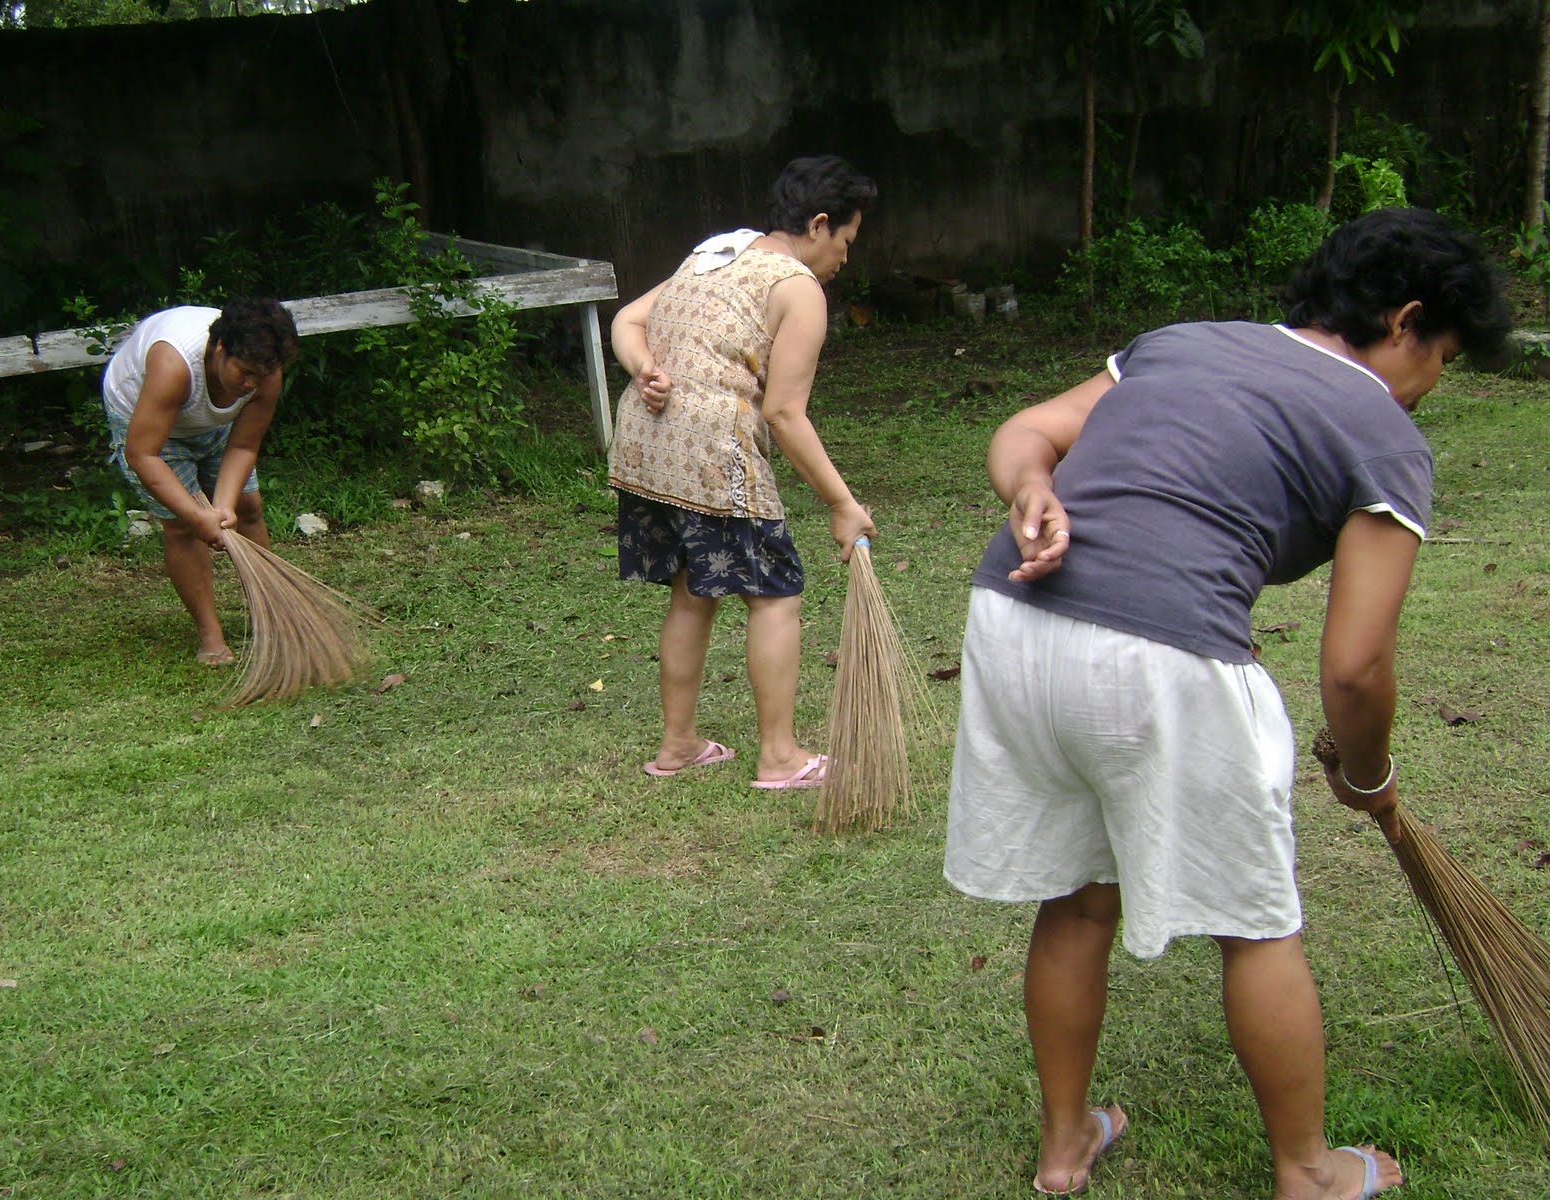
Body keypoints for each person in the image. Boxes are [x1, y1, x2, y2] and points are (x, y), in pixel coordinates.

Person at [943, 208, 1510, 1199]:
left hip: (1012, 618)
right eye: (1442, 360)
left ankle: (1065, 1143)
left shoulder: (1184, 343)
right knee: (1256, 924)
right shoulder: (1383, 431)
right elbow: (1354, 666)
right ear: (1405, 320)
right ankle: (1309, 1172)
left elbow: (1027, 432)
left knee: (1076, 895)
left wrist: (1029, 482)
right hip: (1161, 657)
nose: (1427, 391)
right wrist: (1367, 776)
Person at [607, 155, 877, 787]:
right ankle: (780, 757)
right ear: (819, 224)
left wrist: (642, 365)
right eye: (846, 240)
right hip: (710, 452)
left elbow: (627, 321)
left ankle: (677, 746)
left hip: (646, 448)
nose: (845, 258)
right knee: (775, 594)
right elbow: (784, 415)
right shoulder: (798, 288)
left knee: (692, 589)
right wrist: (842, 504)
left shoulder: (714, 252)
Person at [103, 298, 299, 664]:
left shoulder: (264, 370)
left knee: (248, 506)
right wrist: (197, 516)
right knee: (182, 525)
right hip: (147, 423)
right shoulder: (173, 364)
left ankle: (272, 612)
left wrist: (223, 507)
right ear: (220, 348)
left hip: (210, 421)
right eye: (244, 372)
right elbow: (142, 454)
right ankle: (211, 636)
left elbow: (243, 445)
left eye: (261, 375)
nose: (251, 384)